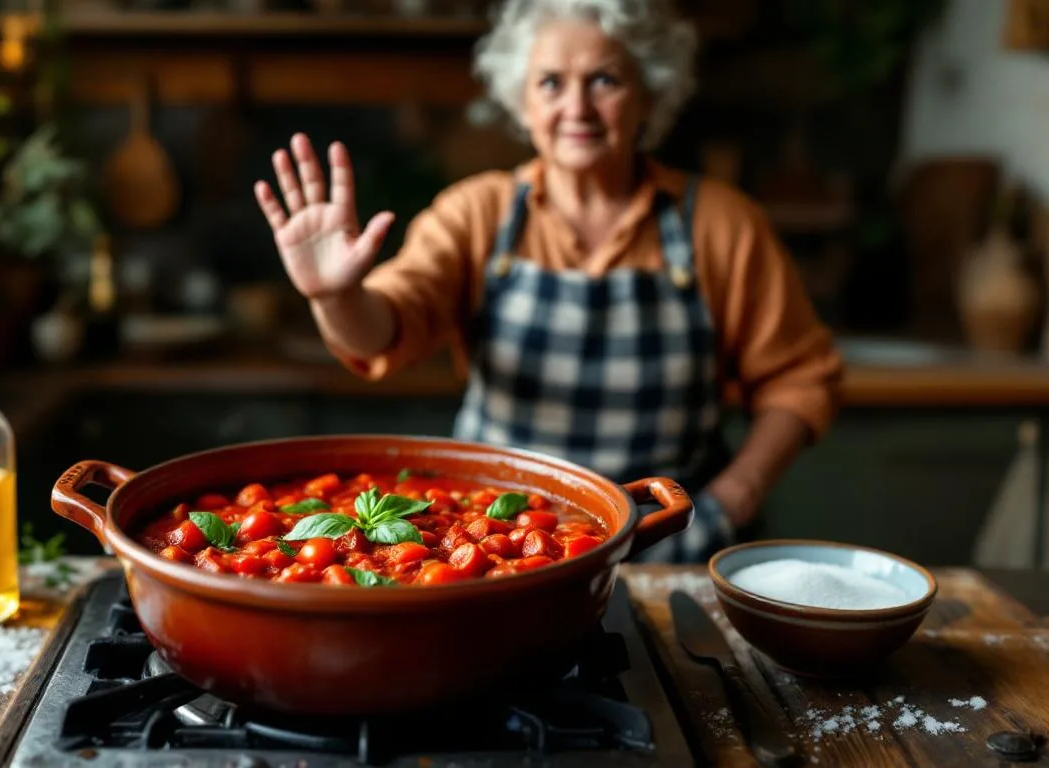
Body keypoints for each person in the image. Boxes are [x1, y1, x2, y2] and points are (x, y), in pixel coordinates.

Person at [252, 0, 844, 563]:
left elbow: (798, 381)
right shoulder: (476, 214)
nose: (577, 108)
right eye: (551, 83)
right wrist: (335, 296)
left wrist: (734, 496)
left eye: (605, 80)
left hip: (669, 541)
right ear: (521, 101)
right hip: (501, 547)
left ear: (649, 94)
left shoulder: (720, 224)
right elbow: (381, 332)